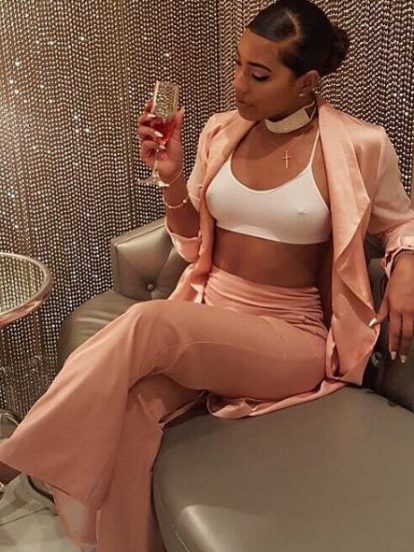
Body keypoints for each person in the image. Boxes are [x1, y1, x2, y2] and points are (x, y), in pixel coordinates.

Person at [1, 0, 414, 550]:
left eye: (259, 74)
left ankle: (16, 460)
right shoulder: (222, 131)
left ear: (307, 82)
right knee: (131, 412)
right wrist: (172, 178)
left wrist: (406, 264)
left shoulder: (359, 145)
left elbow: (400, 220)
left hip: (288, 336)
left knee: (149, 323)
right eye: (238, 64)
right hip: (209, 313)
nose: (238, 84)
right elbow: (192, 239)